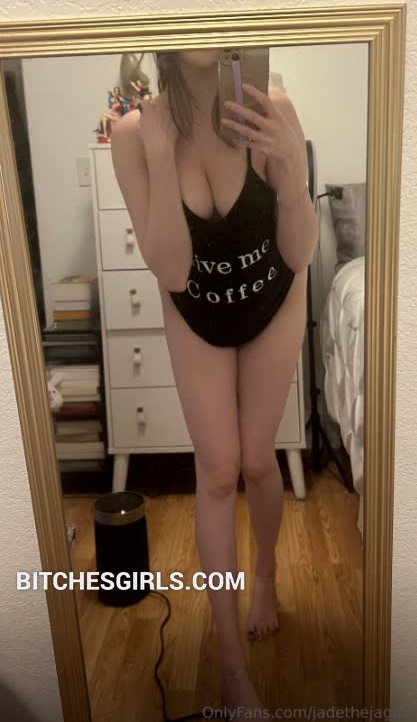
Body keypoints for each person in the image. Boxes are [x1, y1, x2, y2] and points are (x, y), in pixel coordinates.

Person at [110, 49, 319, 715]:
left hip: (274, 292)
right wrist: (160, 157)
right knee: (219, 471)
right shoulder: (132, 134)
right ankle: (232, 670)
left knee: (258, 461)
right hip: (195, 303)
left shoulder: (269, 107)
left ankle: (266, 576)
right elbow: (172, 272)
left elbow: (301, 251)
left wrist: (292, 175)